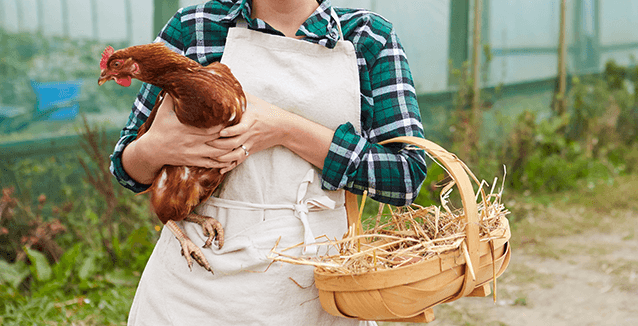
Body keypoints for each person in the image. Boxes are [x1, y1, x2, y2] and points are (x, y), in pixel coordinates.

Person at [110, 0, 426, 324]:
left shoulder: (368, 37)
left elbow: (405, 177)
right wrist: (154, 148)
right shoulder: (196, 26)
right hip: (194, 283)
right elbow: (126, 169)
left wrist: (286, 129)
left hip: (316, 283)